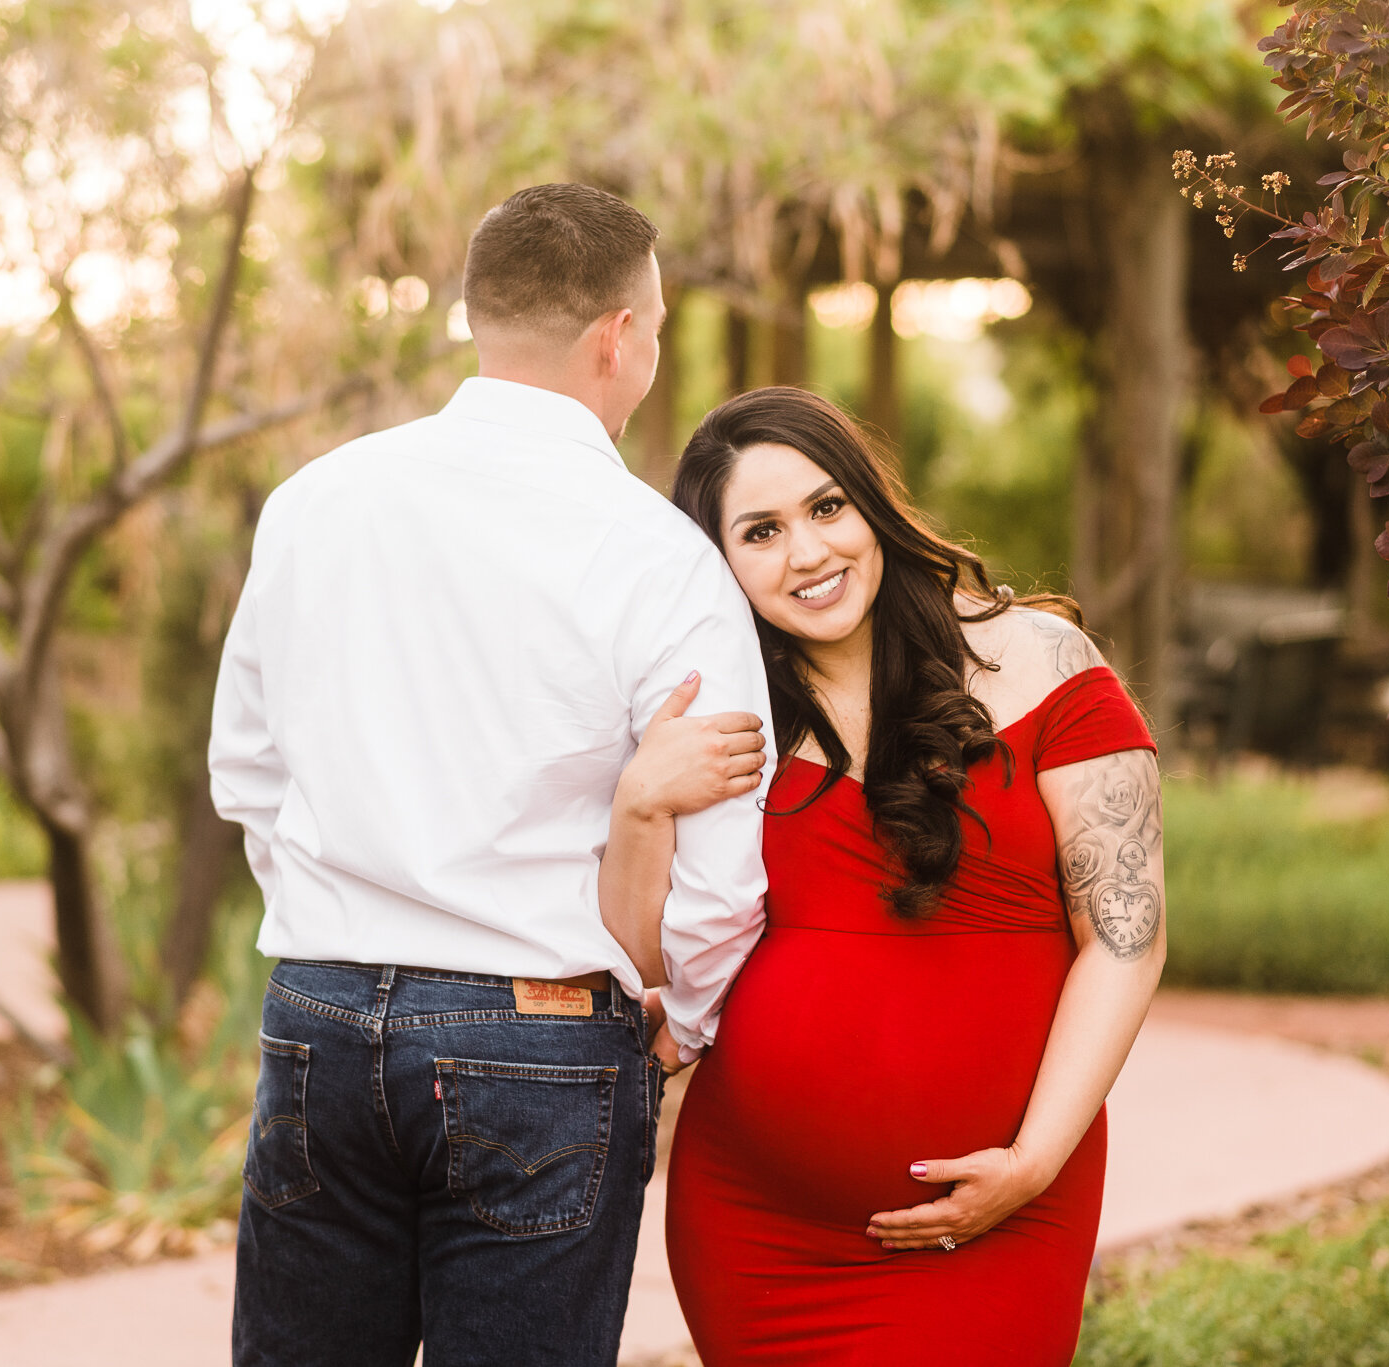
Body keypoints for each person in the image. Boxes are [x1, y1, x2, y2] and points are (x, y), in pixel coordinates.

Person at [207, 184, 773, 1367]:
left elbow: (247, 774)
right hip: (540, 1036)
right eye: (656, 329)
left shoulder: (314, 503)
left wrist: (337, 924)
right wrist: (687, 1015)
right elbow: (719, 871)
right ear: (615, 335)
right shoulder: (658, 558)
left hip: (318, 1008)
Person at [645, 387, 1168, 1365]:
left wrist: (1033, 1160)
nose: (806, 552)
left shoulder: (1041, 661)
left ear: (873, 506)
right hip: (755, 1226)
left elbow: (1126, 936)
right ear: (719, 564)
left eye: (826, 507)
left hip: (1004, 1205)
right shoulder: (728, 716)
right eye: (760, 531)